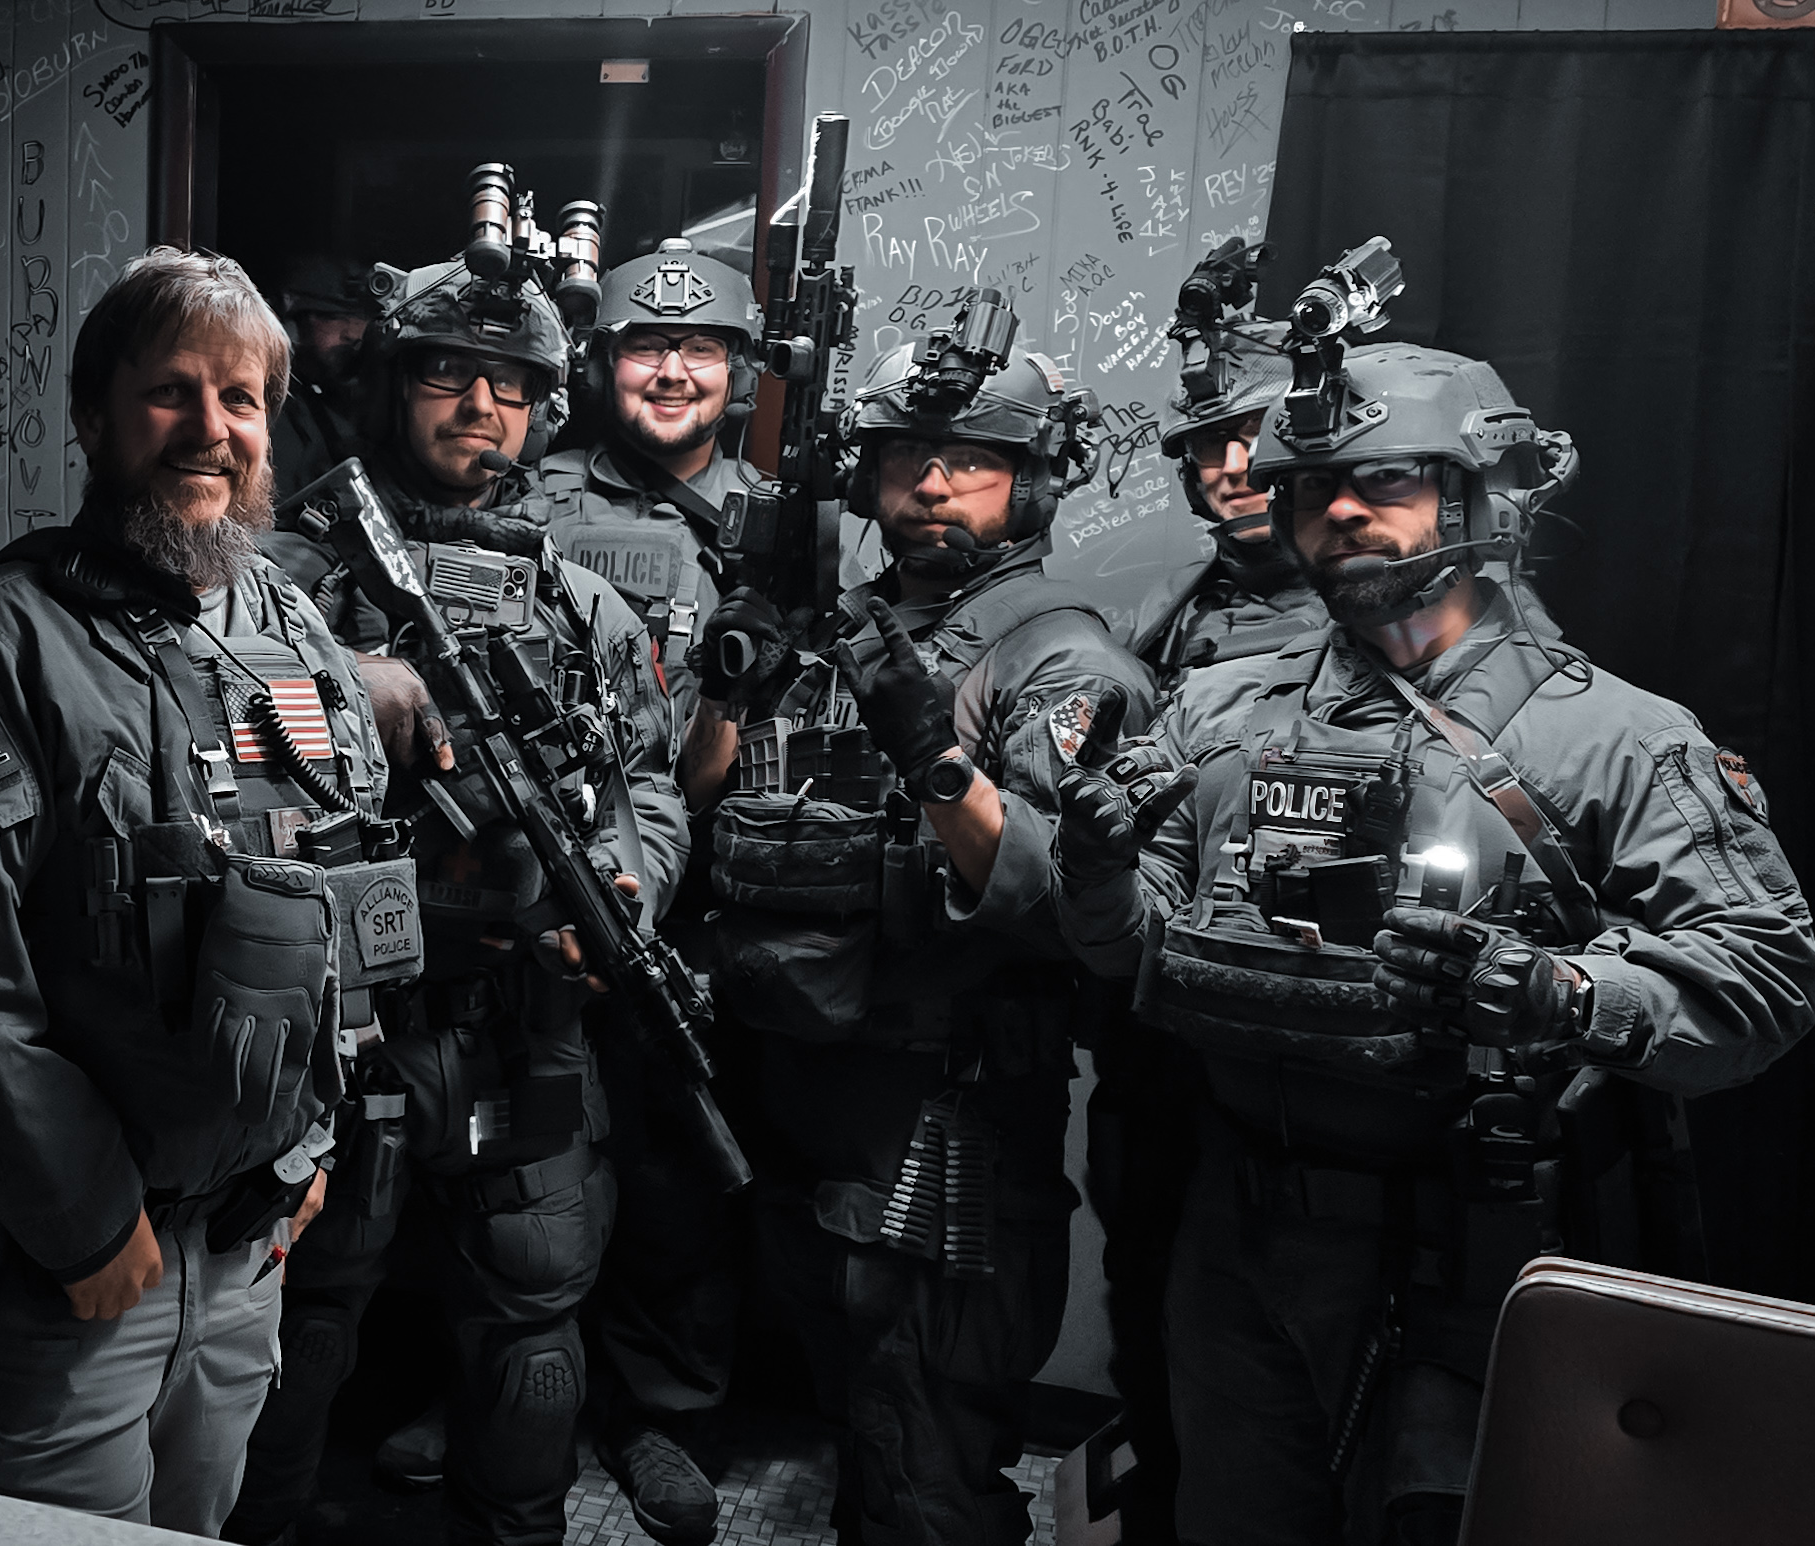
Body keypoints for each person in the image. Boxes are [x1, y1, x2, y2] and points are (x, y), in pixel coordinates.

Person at [1049, 341, 1815, 1546]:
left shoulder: (1611, 739)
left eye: (1387, 481)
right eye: (1312, 488)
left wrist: (1559, 992)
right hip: (1234, 1234)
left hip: (1467, 1250)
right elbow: (1138, 951)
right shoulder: (1215, 712)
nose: (1340, 510)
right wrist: (1093, 870)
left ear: (1482, 495)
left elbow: (1763, 984)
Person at [0, 247, 396, 1535]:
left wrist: (311, 1134)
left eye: (242, 398)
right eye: (169, 393)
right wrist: (85, 1221)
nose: (210, 430)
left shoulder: (295, 634)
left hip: (247, 1238)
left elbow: (348, 894)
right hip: (68, 1256)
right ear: (93, 417)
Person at [224, 251, 689, 1546]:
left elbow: (646, 778)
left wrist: (629, 880)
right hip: (333, 1021)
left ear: (545, 411)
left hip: (516, 1016)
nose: (478, 404)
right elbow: (227, 793)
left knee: (530, 1338)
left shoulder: (577, 601)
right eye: (445, 373)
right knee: (294, 1322)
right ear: (386, 386)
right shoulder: (272, 589)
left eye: (511, 384)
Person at [700, 291, 1146, 1545]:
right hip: (793, 1071)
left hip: (938, 1101)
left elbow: (1067, 901)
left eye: (973, 461)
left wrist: (933, 760)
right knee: (836, 1408)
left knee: (924, 1454)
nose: (935, 482)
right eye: (908, 455)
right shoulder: (839, 624)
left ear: (1031, 487)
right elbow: (703, 806)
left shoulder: (1060, 661)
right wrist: (731, 670)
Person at [523, 233, 773, 1545]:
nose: (671, 368)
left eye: (700, 348)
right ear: (599, 359)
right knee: (513, 1146)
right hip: (540, 875)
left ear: (734, 370)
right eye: (644, 343)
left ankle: (658, 1408)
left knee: (676, 1162)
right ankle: (498, 1387)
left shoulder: (786, 520)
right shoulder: (529, 495)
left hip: (713, 892)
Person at [1092, 246, 1324, 1542]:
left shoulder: (1392, 620)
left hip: (1310, 1050)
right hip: (1162, 1035)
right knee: (1148, 1302)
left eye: (1251, 440)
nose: (1225, 468)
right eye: (1203, 446)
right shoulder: (1161, 625)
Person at [1118, 247, 1323, 693]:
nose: (1235, 467)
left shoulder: (1384, 604)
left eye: (1260, 432)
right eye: (1212, 444)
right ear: (1191, 477)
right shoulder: (1170, 608)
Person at [265, 253, 376, 501]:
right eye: (332, 317)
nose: (352, 332)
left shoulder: (358, 406)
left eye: (361, 319)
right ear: (291, 328)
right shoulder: (269, 414)